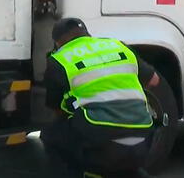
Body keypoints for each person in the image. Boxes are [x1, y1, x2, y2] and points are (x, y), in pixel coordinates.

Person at [41, 17, 160, 177]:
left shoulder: (59, 60)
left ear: (57, 42)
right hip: (143, 135)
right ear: (87, 34)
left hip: (100, 140)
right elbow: (154, 80)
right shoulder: (116, 45)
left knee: (51, 135)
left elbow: (55, 108)